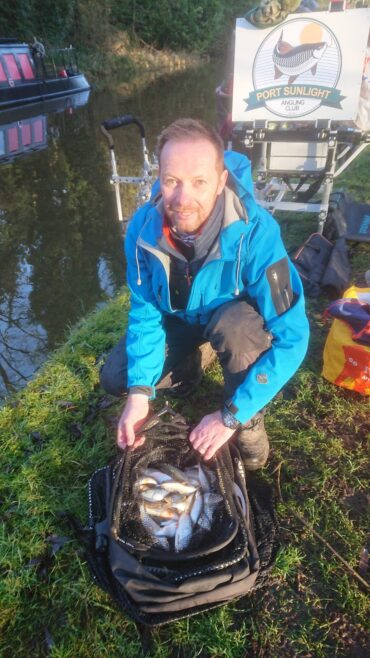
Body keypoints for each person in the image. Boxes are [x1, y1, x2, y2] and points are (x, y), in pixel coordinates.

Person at [100, 118, 309, 469]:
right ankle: (191, 367)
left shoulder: (258, 234)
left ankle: (246, 414)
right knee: (117, 378)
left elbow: (294, 336)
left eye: (199, 182)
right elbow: (145, 312)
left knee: (235, 326)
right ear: (159, 179)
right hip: (178, 319)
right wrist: (139, 393)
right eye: (171, 181)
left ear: (220, 181)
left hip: (232, 322)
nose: (183, 199)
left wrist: (231, 416)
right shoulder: (140, 230)